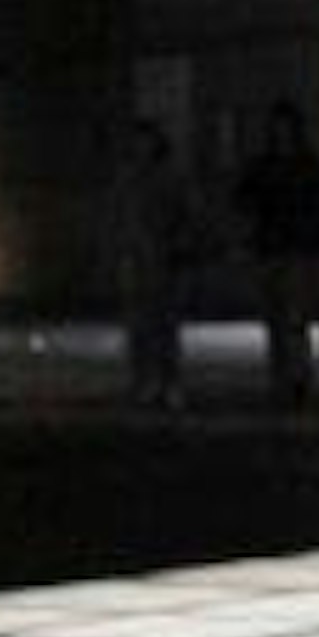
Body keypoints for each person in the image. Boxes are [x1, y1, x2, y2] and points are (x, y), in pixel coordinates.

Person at [232, 98, 319, 405]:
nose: (281, 133)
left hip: (297, 251)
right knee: (276, 319)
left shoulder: (300, 166)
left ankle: (295, 377)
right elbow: (242, 200)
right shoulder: (280, 166)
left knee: (293, 318)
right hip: (273, 249)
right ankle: (285, 376)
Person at [112, 114, 188, 413]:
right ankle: (145, 381)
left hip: (164, 260)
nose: (141, 146)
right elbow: (119, 220)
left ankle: (167, 382)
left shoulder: (168, 177)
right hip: (138, 262)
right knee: (141, 327)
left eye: (145, 140)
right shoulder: (129, 178)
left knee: (164, 326)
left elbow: (185, 214)